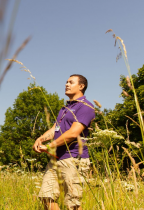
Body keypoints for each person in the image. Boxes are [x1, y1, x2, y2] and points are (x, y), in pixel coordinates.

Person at [33, 74, 95, 210]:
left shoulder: (86, 107)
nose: (66, 84)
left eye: (71, 82)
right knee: (46, 196)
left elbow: (72, 134)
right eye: (66, 82)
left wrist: (49, 146)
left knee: (72, 204)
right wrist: (41, 138)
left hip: (74, 160)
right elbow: (55, 128)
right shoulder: (64, 108)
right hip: (56, 159)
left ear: (81, 86)